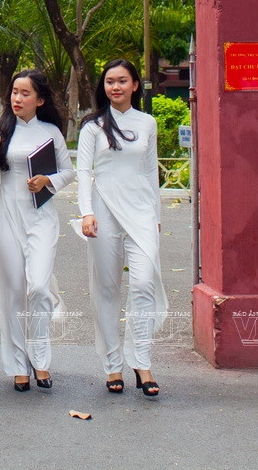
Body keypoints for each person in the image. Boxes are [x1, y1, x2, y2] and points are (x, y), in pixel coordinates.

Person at [76, 59, 168, 397]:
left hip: (141, 213)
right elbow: (84, 172)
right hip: (104, 211)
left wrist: (155, 215)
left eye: (122, 81)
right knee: (108, 289)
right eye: (110, 82)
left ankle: (141, 362)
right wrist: (86, 212)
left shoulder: (147, 123)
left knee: (143, 283)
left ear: (134, 85)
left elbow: (149, 173)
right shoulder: (93, 127)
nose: (115, 87)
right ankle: (113, 364)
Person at [0, 70, 75, 392]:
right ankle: (19, 366)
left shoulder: (50, 132)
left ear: (41, 99)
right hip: (8, 218)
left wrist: (48, 180)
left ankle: (41, 358)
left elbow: (68, 171)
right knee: (11, 293)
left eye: (25, 93)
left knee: (37, 287)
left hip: (41, 218)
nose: (17, 99)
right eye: (14, 92)